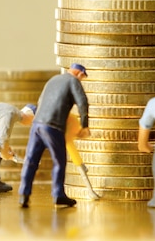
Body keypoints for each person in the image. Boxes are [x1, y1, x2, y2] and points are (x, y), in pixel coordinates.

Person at [18, 64, 90, 208]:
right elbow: (83, 103)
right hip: (53, 125)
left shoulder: (53, 80)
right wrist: (84, 125)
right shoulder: (72, 81)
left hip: (37, 124)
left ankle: (24, 195)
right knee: (59, 161)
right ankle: (58, 195)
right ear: (78, 73)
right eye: (83, 76)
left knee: (31, 160)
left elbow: (40, 101)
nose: (82, 80)